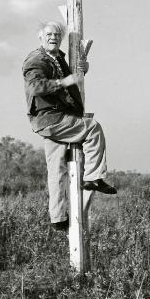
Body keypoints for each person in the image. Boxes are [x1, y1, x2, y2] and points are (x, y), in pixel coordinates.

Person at [22, 21, 117, 230]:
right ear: (40, 37)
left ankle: (57, 218)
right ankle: (94, 177)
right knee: (93, 127)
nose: (53, 37)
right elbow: (35, 86)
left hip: (48, 120)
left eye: (57, 34)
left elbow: (73, 78)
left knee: (55, 170)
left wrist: (83, 70)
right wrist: (63, 82)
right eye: (49, 34)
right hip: (52, 118)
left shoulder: (58, 58)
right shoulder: (36, 60)